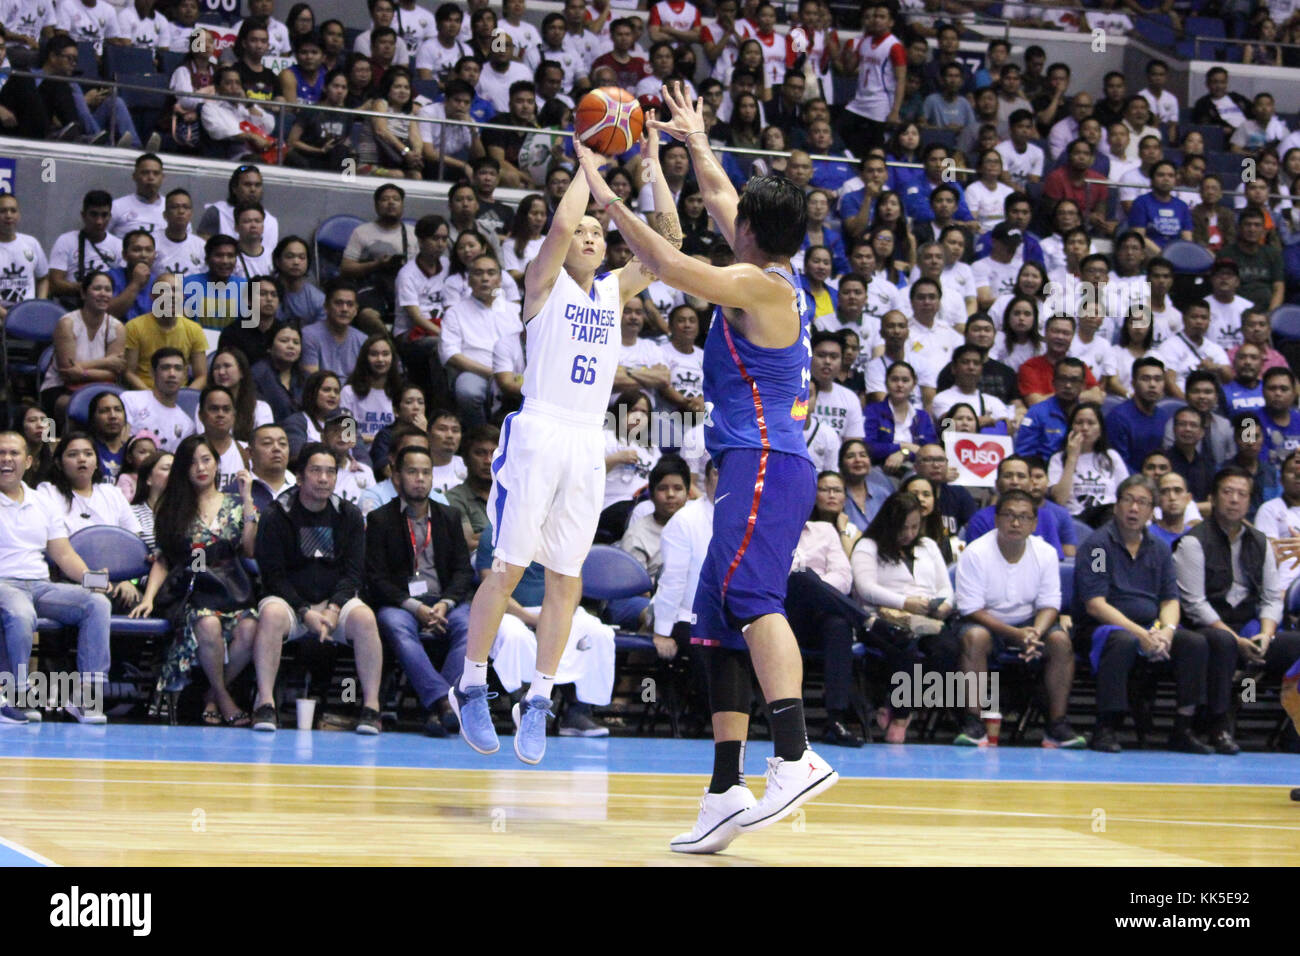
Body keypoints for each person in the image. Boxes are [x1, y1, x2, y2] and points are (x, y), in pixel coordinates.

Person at [578, 83, 837, 852]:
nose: (730, 219)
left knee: (753, 599)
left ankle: (795, 756)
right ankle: (726, 788)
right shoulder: (768, 262)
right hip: (750, 465)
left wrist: (603, 192)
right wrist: (688, 142)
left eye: (738, 220)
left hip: (765, 462)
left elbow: (663, 259)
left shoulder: (757, 284)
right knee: (716, 621)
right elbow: (721, 195)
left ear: (753, 233)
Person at [448, 114, 681, 770]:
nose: (587, 233)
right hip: (539, 429)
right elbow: (556, 227)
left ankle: (541, 698)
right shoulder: (541, 287)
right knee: (509, 567)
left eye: (596, 230)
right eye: (580, 228)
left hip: (585, 440)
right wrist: (590, 162)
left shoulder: (613, 291)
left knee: (567, 577)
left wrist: (654, 164)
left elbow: (668, 245)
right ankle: (470, 682)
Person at [1073, 475, 1222, 753]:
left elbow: (1170, 600)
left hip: (1148, 628)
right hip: (1099, 627)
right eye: (1128, 500)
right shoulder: (1098, 547)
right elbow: (1095, 604)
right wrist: (1140, 633)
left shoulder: (1160, 549)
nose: (1133, 508)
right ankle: (1106, 727)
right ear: (1117, 506)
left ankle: (1183, 727)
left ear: (1152, 511)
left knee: (1194, 643)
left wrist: (1167, 631)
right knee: (1122, 641)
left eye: (1142, 502)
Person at [129, 435, 270, 726]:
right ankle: (223, 698)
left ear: (217, 464)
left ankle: (210, 695)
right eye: (192, 463)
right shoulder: (173, 507)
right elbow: (164, 560)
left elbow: (250, 549)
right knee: (208, 623)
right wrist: (148, 598)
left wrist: (246, 500)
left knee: (250, 628)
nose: (200, 468)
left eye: (206, 460)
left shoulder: (234, 503)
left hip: (232, 587)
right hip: (192, 588)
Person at [252, 443, 385, 734]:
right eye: (316, 471)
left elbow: (353, 572)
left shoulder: (348, 515)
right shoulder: (276, 515)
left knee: (365, 618)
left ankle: (371, 708)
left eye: (330, 472)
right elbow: (273, 575)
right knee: (272, 614)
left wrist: (334, 607)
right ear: (299, 478)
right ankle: (265, 704)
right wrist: (303, 611)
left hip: (334, 604)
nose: (324, 478)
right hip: (290, 603)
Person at [1174, 466, 1300, 752]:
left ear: (1249, 501)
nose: (1234, 499)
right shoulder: (1193, 541)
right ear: (1213, 498)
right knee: (1223, 643)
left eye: (1242, 494)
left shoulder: (1261, 543)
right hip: (1207, 625)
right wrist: (1235, 639)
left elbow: (1271, 597)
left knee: (1293, 645)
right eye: (1227, 492)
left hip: (1249, 622)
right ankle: (1218, 724)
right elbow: (1194, 603)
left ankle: (1294, 731)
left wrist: (1266, 634)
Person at [951, 490, 1085, 748]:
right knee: (974, 637)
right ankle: (973, 722)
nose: (1016, 523)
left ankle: (1056, 725)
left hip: (1030, 622)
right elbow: (971, 608)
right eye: (1009, 516)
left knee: (1059, 639)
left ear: (1034, 524)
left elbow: (1049, 604)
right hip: (985, 622)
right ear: (996, 519)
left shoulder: (1045, 553)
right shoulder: (975, 552)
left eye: (1024, 517)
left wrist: (1034, 632)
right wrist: (1016, 635)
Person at [0, 431, 113, 724]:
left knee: (96, 603)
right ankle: (15, 696)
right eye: (1, 453)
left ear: (28, 461)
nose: (6, 459)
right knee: (21, 612)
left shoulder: (42, 501)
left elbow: (63, 554)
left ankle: (86, 697)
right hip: (3, 583)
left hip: (40, 585)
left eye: (13, 453)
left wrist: (93, 580)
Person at [366, 445, 473, 737]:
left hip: (445, 602)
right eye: (412, 471)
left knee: (472, 628)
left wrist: (447, 603)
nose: (420, 479)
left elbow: (464, 571)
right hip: (402, 604)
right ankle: (444, 703)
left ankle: (438, 709)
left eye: (426, 472)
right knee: (394, 626)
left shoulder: (449, 517)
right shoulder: (380, 520)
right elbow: (376, 578)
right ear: (397, 477)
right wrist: (415, 607)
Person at [852, 490, 955, 743]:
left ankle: (900, 702)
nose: (909, 534)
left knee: (948, 648)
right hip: (881, 617)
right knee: (905, 646)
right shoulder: (868, 546)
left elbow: (945, 587)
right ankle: (901, 715)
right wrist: (904, 602)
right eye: (903, 528)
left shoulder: (928, 546)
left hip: (927, 616)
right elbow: (865, 588)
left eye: (914, 527)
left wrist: (944, 605)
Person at [864, 361, 938, 474]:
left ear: (914, 384)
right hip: (879, 468)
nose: (900, 385)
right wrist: (904, 445)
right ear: (886, 383)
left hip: (917, 471)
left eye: (905, 380)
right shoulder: (872, 411)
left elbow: (928, 452)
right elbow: (868, 447)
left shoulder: (922, 417)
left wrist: (904, 453)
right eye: (894, 379)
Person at [121, 348, 197, 453]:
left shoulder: (187, 424)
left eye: (178, 368)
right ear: (152, 373)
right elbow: (120, 444)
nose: (172, 374)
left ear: (184, 375)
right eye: (165, 368)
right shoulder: (130, 400)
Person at [1105, 357, 1172, 472]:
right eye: (1145, 379)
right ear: (1133, 383)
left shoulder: (1164, 417)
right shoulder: (1117, 418)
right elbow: (1119, 464)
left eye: (1158, 379)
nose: (1152, 384)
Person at [301, 280, 368, 376]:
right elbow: (312, 379)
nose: (344, 309)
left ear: (356, 310)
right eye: (338, 303)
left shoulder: (362, 340)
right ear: (326, 306)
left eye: (350, 304)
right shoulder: (309, 335)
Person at [839, 438, 894, 531]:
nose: (858, 460)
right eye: (850, 456)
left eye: (863, 455)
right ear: (841, 464)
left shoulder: (883, 494)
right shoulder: (836, 495)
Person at [129, 450, 172, 552]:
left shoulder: (188, 512)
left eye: (176, 469)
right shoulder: (132, 513)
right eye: (166, 468)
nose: (173, 473)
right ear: (148, 478)